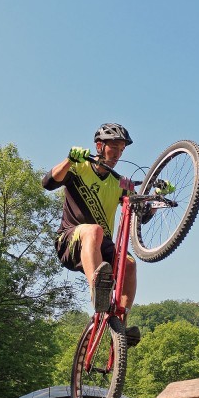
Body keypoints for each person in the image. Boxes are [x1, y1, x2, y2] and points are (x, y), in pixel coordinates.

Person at [42, 123, 140, 346]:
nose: (117, 154)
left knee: (130, 264)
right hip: (70, 240)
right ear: (99, 146)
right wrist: (69, 160)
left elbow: (142, 216)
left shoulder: (119, 183)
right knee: (94, 230)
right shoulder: (80, 167)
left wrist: (158, 197)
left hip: (101, 247)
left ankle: (121, 323)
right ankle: (99, 291)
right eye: (113, 147)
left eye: (121, 150)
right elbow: (47, 183)